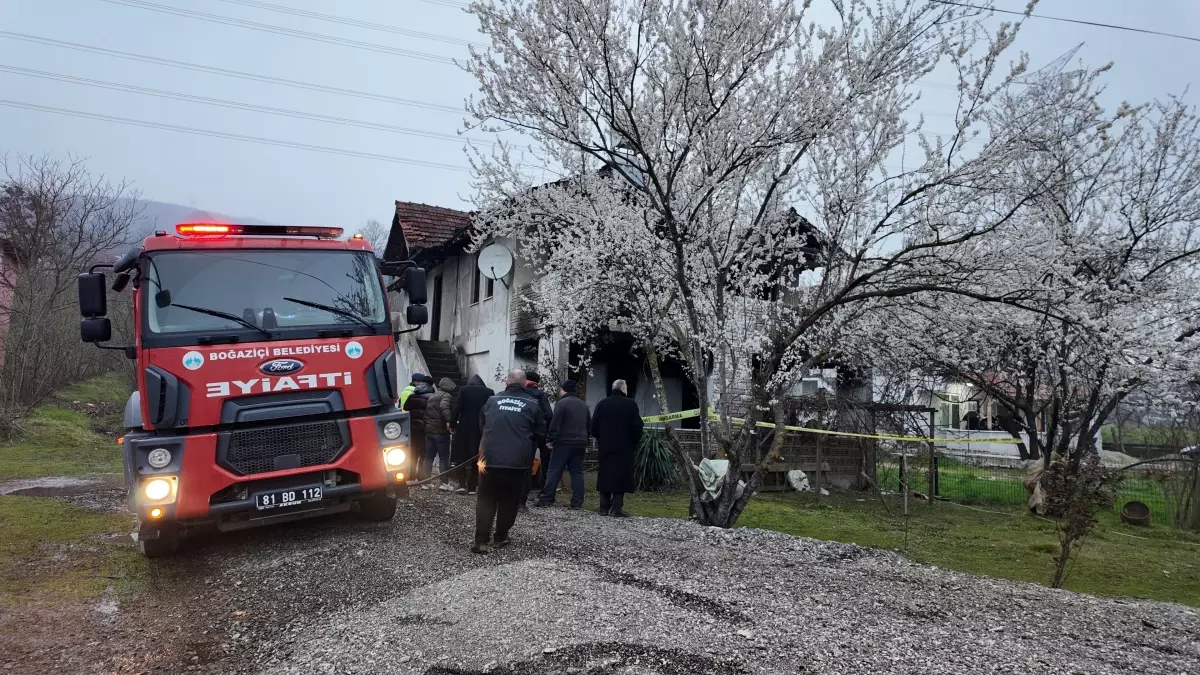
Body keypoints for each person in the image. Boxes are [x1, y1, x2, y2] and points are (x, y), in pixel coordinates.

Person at [474, 369, 545, 554]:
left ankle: (481, 541)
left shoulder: (492, 401)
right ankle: (501, 537)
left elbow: (481, 424)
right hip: (516, 462)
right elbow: (540, 432)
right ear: (524, 384)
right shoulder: (532, 404)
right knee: (508, 499)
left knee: (486, 498)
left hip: (488, 459)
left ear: (506, 381)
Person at [591, 379, 643, 517]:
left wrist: (601, 438)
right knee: (621, 476)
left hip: (605, 446)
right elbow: (637, 427)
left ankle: (603, 507)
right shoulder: (630, 404)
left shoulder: (602, 404)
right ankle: (616, 508)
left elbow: (593, 427)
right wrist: (633, 441)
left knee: (605, 474)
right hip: (624, 447)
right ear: (623, 388)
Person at [535, 380, 590, 509]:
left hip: (563, 443)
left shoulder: (562, 404)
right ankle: (577, 502)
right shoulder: (584, 405)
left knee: (554, 470)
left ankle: (546, 499)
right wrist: (585, 439)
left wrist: (550, 439)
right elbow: (589, 425)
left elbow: (555, 424)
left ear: (565, 390)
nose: (559, 392)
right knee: (577, 473)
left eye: (561, 389)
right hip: (580, 443)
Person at [451, 374, 493, 495]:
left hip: (464, 427)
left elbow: (457, 407)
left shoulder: (464, 390)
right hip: (480, 429)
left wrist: (453, 424)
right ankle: (472, 486)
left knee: (461, 456)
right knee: (477, 456)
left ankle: (461, 484)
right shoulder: (489, 392)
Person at [521, 371, 553, 509]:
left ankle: (522, 494)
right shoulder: (541, 394)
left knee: (526, 464)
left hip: (527, 433)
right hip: (542, 432)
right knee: (546, 464)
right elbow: (549, 414)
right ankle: (545, 493)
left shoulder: (522, 393)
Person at [422, 377, 457, 491]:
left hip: (429, 431)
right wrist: (448, 422)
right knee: (444, 457)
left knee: (428, 458)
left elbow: (426, 414)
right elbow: (444, 407)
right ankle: (444, 483)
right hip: (441, 432)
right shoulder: (446, 396)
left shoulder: (432, 396)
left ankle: (425, 482)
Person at [402, 375, 435, 482]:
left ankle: (410, 476)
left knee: (413, 452)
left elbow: (406, 408)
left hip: (412, 428)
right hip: (425, 428)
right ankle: (420, 477)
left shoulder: (412, 395)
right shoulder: (431, 397)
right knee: (424, 453)